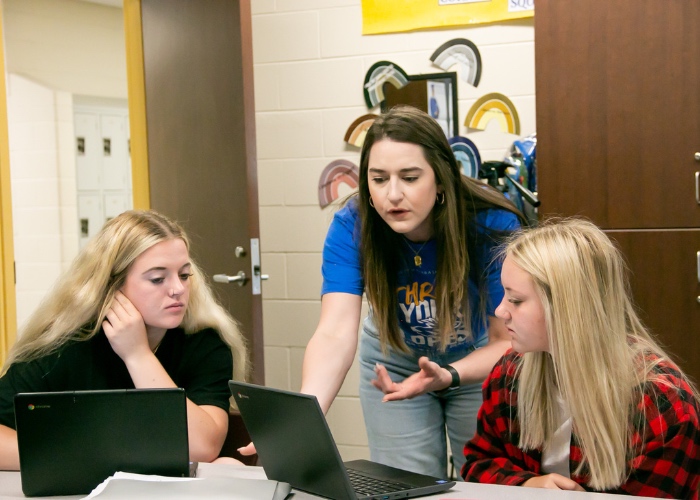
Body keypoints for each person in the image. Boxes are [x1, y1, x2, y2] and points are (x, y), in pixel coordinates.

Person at [295, 105, 523, 478]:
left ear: (441, 177)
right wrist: (308, 412)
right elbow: (335, 331)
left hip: (478, 359)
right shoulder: (353, 224)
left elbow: (507, 341)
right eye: (379, 179)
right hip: (395, 363)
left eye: (410, 177)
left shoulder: (491, 222)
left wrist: (447, 373)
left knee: (485, 481)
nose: (393, 194)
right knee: (405, 485)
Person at [462, 218, 700, 497]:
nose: (501, 311)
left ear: (567, 308)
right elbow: (478, 464)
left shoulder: (662, 406)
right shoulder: (510, 374)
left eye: (515, 300)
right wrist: (527, 485)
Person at [0, 210, 248, 470]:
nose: (177, 289)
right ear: (112, 286)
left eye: (184, 275)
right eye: (157, 279)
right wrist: (77, 457)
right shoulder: (66, 346)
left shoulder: (204, 345)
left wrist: (138, 355)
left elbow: (202, 447)